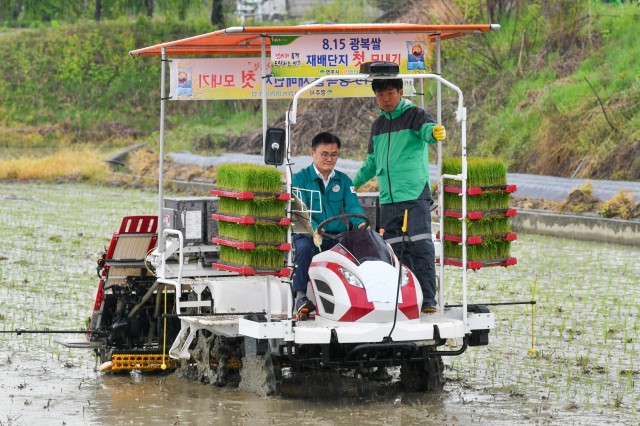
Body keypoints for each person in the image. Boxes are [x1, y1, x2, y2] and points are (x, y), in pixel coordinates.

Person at [352, 78, 446, 313]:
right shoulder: (378, 126)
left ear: (401, 92)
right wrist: (350, 184)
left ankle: (427, 299)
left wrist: (434, 132)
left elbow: (427, 132)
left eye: (390, 93)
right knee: (394, 251)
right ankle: (404, 298)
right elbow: (372, 163)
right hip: (388, 199)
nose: (386, 99)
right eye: (381, 94)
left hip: (414, 194)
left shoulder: (416, 115)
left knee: (421, 246)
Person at [292, 131, 367, 314]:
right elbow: (302, 212)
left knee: (356, 250)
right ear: (312, 153)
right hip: (309, 235)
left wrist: (362, 225)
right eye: (324, 154)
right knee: (304, 248)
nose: (329, 158)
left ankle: (355, 299)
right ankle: (301, 296)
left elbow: (353, 206)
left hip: (335, 236)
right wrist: (314, 230)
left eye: (334, 154)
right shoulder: (299, 179)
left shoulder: (343, 180)